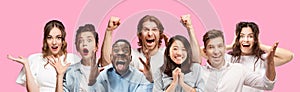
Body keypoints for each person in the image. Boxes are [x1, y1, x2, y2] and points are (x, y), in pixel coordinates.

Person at [99, 14, 201, 83]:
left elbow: (196, 62)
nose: (150, 33)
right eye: (146, 30)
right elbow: (106, 64)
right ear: (139, 35)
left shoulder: (168, 54)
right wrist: (109, 30)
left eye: (154, 30)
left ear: (160, 34)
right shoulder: (132, 56)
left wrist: (190, 28)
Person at [7, 20, 80, 92]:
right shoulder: (35, 59)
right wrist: (27, 65)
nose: (54, 42)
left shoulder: (73, 60)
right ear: (45, 40)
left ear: (63, 40)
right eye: (50, 37)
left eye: (58, 37)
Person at [200, 29, 277, 92]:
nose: (216, 52)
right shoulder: (198, 73)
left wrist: (270, 63)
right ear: (205, 51)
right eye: (211, 47)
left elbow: (268, 85)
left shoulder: (239, 69)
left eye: (220, 46)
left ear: (224, 48)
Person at [226, 22, 294, 92]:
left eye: (250, 36)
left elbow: (289, 56)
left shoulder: (262, 59)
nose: (246, 40)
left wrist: (260, 45)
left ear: (255, 39)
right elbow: (213, 52)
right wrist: (231, 46)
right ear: (237, 39)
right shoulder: (230, 59)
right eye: (242, 36)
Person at [51, 24, 101, 92]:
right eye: (80, 41)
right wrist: (60, 75)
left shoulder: (104, 69)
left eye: (89, 40)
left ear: (96, 46)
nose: (84, 44)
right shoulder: (71, 71)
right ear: (77, 48)